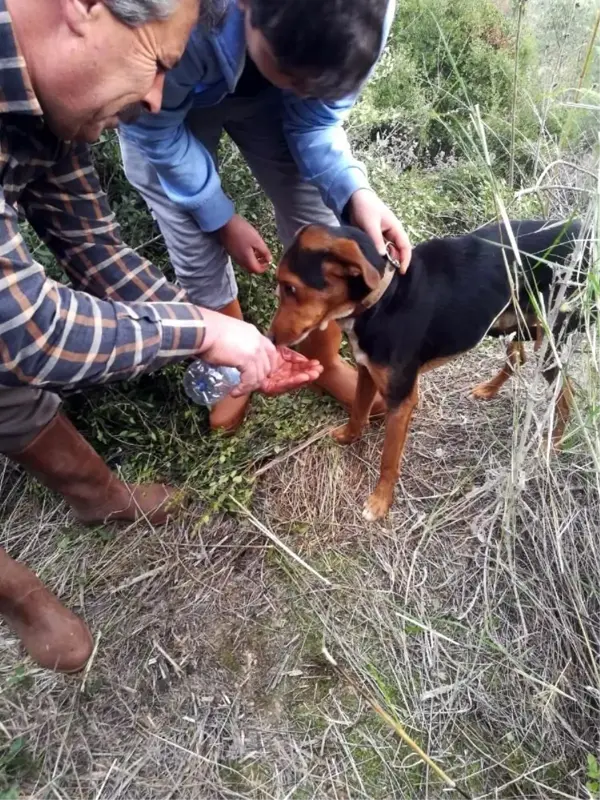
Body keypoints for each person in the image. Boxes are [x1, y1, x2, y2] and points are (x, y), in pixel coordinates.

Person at [0, 0, 321, 674]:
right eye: (156, 62)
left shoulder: (47, 104)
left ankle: (101, 501)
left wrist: (223, 338)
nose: (155, 98)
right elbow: (35, 330)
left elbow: (95, 248)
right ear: (83, 8)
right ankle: (18, 592)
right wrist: (203, 328)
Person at [118, 0, 413, 433]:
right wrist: (220, 219)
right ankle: (237, 363)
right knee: (189, 224)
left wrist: (354, 192)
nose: (306, 92)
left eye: (317, 85)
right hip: (166, 100)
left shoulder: (368, 17)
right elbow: (155, 133)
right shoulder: (176, 18)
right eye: (296, 76)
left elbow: (315, 123)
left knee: (314, 206)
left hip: (266, 93)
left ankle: (322, 360)